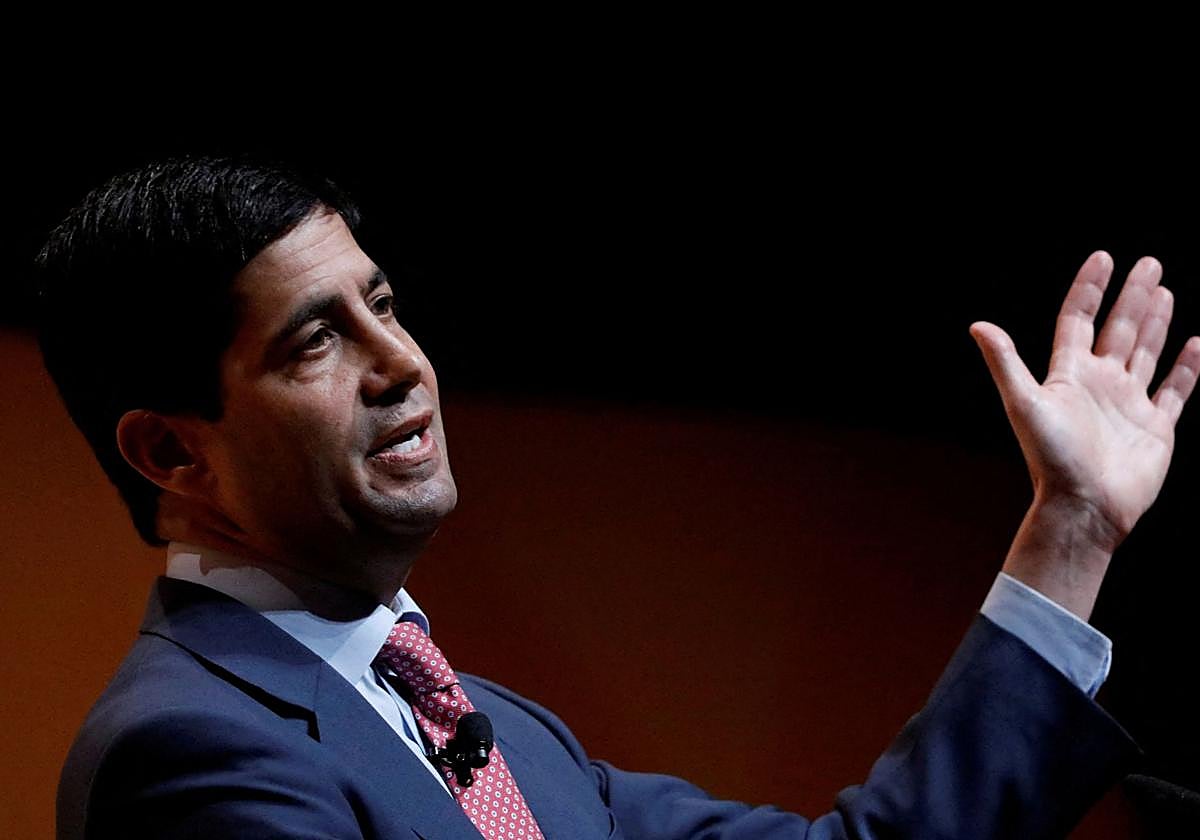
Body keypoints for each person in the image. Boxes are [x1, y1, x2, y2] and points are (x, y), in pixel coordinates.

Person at [39, 156, 1200, 839]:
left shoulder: (498, 729)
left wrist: (1072, 526)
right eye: (314, 342)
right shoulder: (190, 754)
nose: (400, 363)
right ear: (172, 453)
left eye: (382, 306)